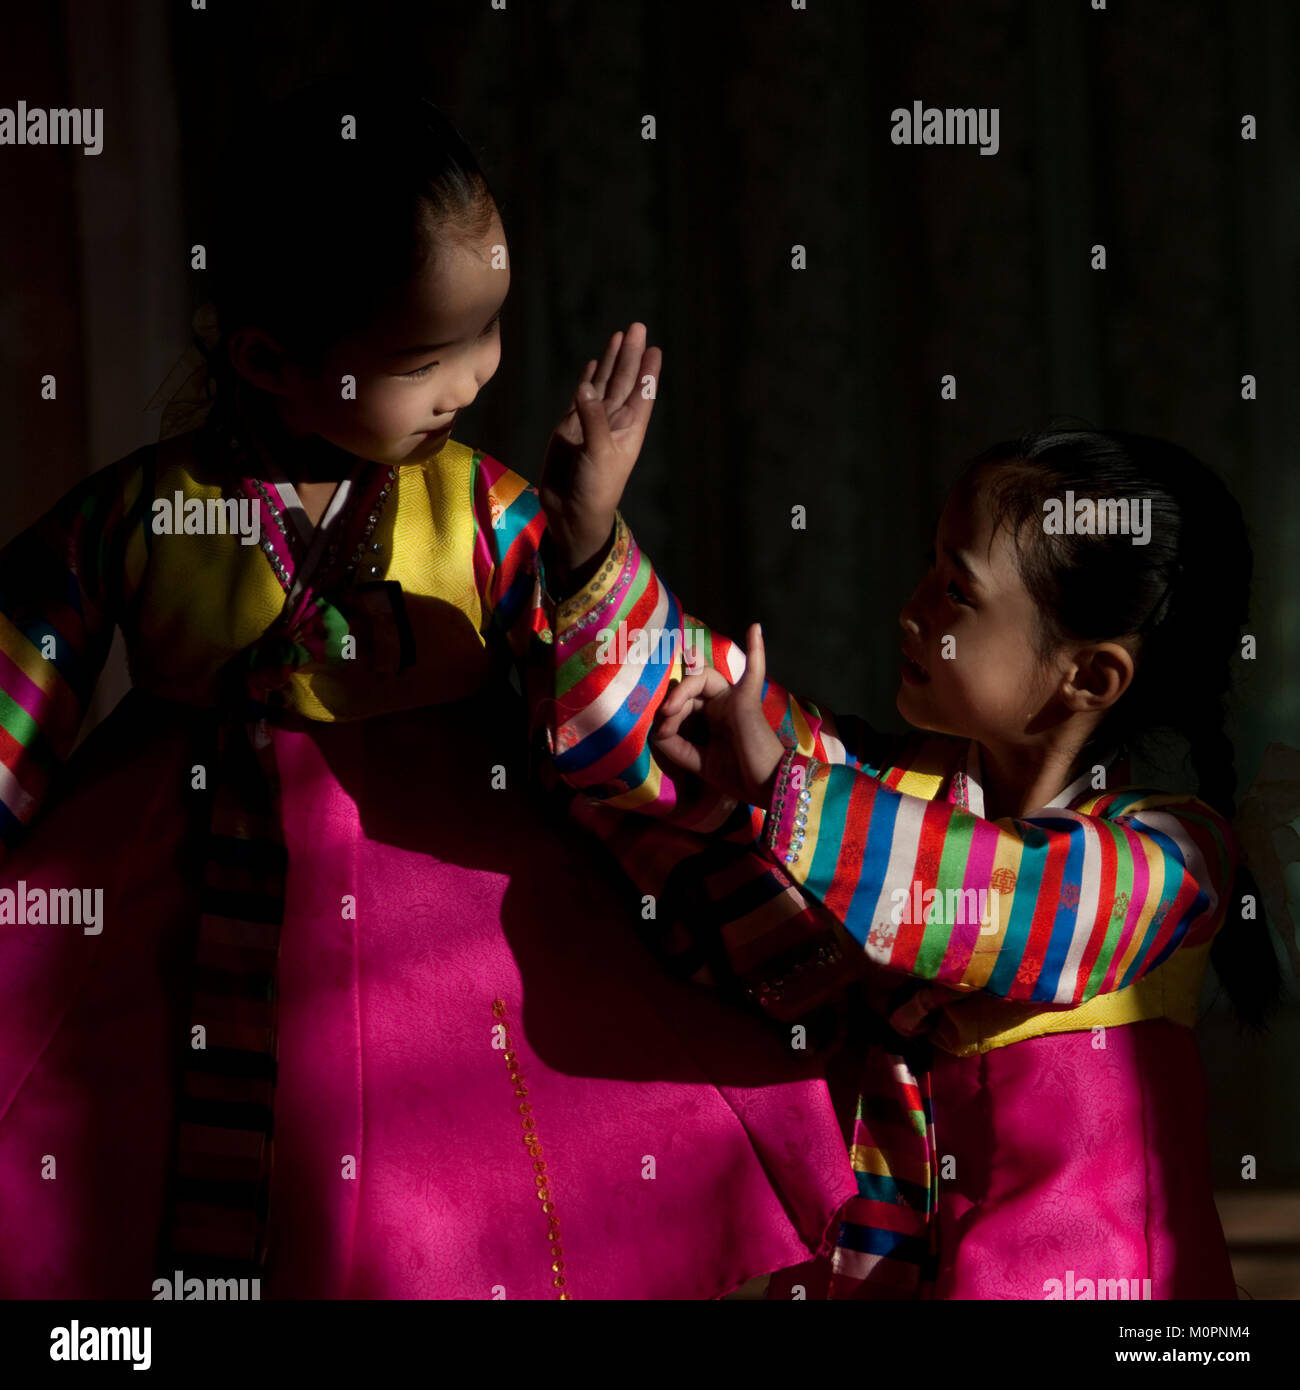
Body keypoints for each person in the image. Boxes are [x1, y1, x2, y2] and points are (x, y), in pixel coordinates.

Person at [0, 78, 859, 1300]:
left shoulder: (486, 507)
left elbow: (631, 697)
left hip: (450, 919)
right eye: (424, 355)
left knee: (432, 1224)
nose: (471, 381)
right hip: (171, 897)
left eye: (488, 332)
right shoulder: (140, 513)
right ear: (266, 358)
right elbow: (16, 679)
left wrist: (585, 536)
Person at [544, 427, 1285, 1299]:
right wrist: (590, 543)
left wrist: (780, 782)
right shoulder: (878, 794)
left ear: (1090, 676)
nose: (913, 608)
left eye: (957, 590)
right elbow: (706, 688)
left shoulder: (1171, 861)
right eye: (930, 567)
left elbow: (1010, 901)